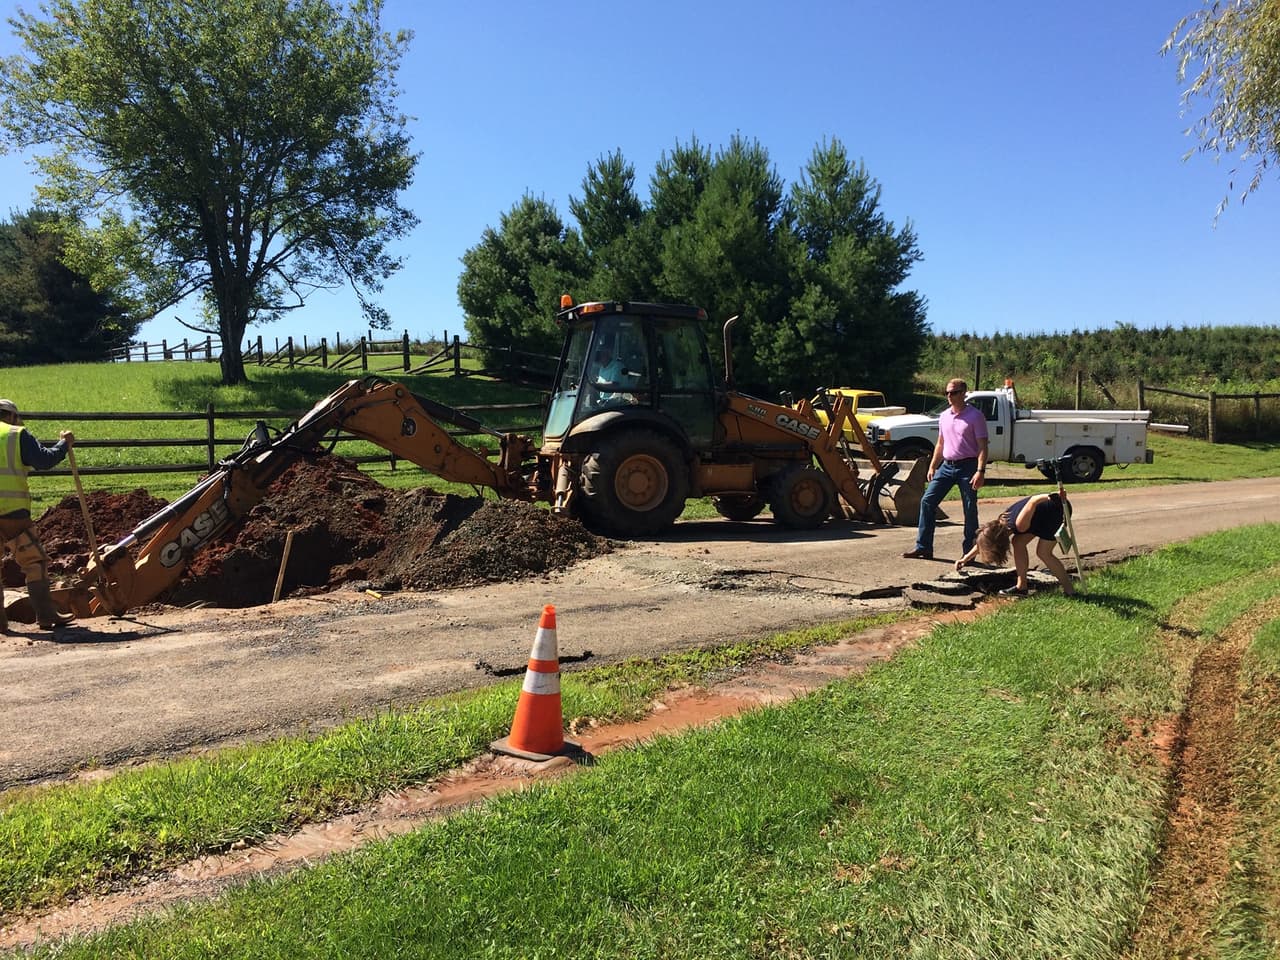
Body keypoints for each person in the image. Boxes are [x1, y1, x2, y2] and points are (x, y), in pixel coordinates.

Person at [0, 398, 76, 630]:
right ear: (12, 416)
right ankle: (46, 616)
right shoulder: (16, 434)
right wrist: (64, 444)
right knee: (34, 562)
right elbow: (45, 460)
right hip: (12, 512)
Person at [902, 378, 989, 560]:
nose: (950, 396)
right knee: (927, 501)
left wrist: (980, 471)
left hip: (968, 466)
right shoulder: (944, 416)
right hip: (947, 466)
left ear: (964, 393)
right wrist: (933, 465)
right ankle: (923, 547)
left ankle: (969, 551)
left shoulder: (975, 416)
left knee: (969, 508)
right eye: (947, 392)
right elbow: (940, 443)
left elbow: (982, 446)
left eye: (954, 392)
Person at [955, 491, 1076, 596]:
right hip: (1042, 515)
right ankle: (1022, 587)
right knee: (1018, 542)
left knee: (1044, 553)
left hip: (1058, 510)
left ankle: (1069, 590)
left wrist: (1052, 496)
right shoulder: (1000, 523)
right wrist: (965, 558)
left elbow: (1033, 500)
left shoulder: (1020, 524)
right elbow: (985, 541)